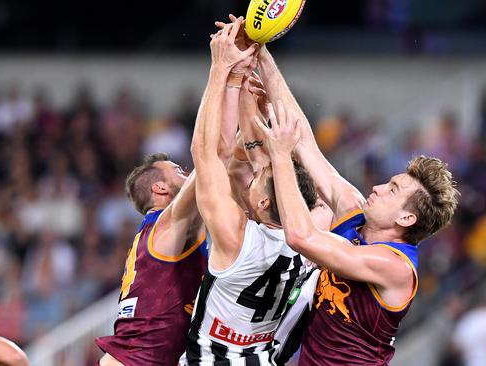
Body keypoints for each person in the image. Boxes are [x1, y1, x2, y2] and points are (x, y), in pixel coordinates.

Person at [249, 36, 458, 365]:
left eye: (392, 190)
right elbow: (304, 140)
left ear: (406, 219)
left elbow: (301, 236)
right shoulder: (354, 214)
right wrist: (263, 56)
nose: (377, 188)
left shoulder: (396, 268)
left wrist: (279, 156)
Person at [95, 25, 254, 365]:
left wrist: (236, 80)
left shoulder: (168, 228)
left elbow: (221, 151)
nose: (188, 172)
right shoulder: (170, 224)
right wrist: (223, 70)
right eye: (179, 171)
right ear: (160, 189)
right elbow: (214, 153)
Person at [184, 18, 319, 365]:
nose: (253, 172)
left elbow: (206, 154)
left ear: (261, 202)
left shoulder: (235, 236)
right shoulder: (311, 240)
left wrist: (221, 69)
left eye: (257, 178)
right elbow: (266, 164)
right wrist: (243, 85)